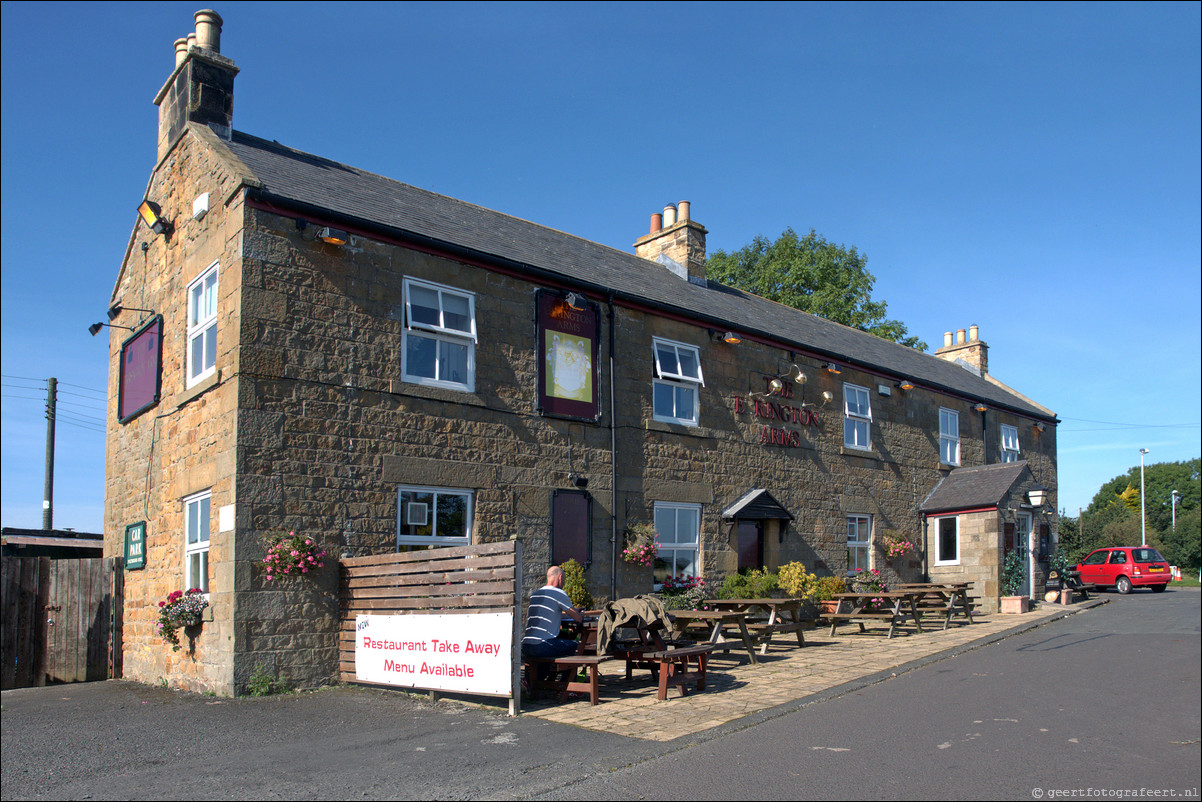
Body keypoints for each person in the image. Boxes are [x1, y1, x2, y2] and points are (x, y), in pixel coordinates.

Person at [522, 565, 584, 682]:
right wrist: (581, 614)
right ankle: (567, 686)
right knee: (574, 646)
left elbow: (550, 613)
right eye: (564, 580)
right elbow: (578, 619)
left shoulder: (535, 594)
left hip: (526, 645)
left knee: (551, 650)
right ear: (560, 578)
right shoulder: (559, 593)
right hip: (542, 645)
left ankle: (532, 682)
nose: (564, 583)